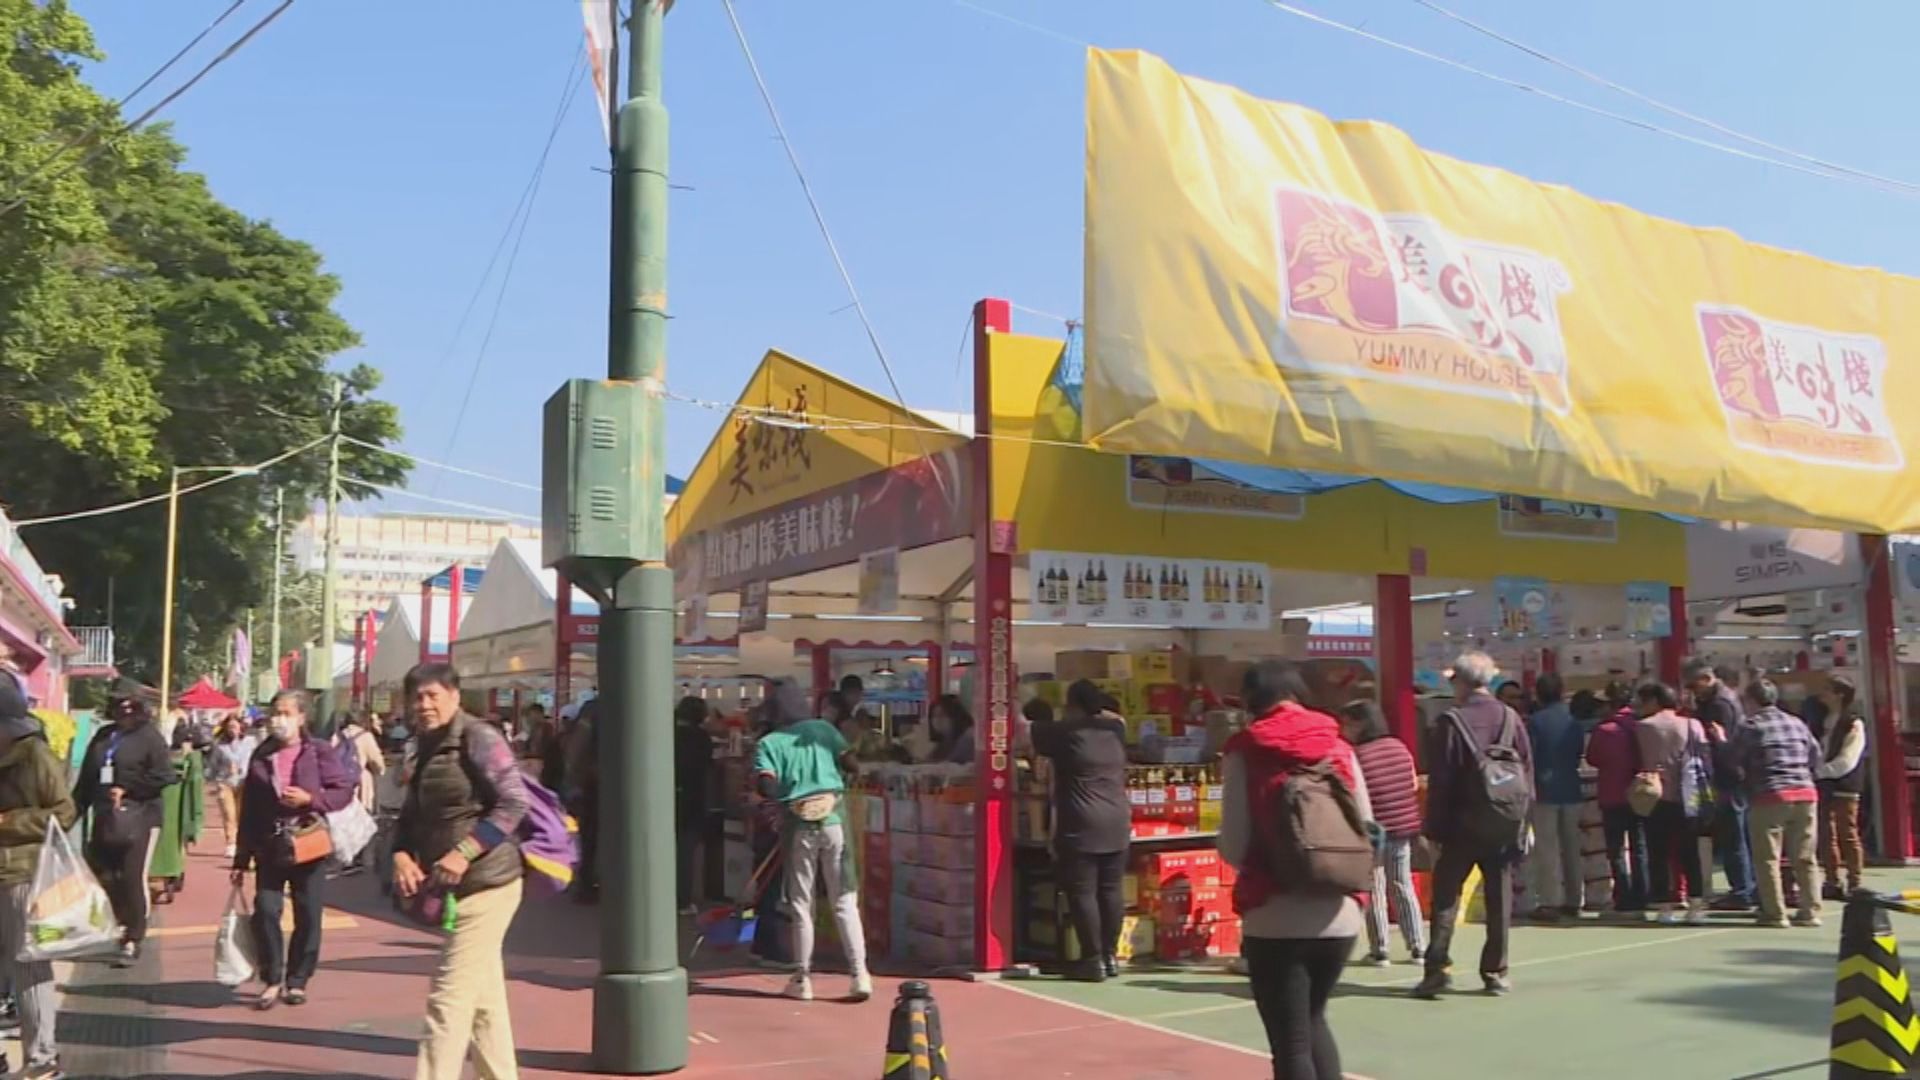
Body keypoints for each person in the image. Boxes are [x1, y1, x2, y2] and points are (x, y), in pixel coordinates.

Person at [1221, 660, 1372, 1079]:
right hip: (1339, 912)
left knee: (1290, 1042)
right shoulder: (1338, 745)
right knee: (1314, 1020)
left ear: (1252, 699)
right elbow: (1367, 825)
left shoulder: (1245, 750)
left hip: (1275, 913)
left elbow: (1233, 844)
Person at [392, 662, 531, 1080]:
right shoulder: (424, 746)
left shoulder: (478, 736)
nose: (424, 704)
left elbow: (514, 802)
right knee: (484, 1002)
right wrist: (400, 853)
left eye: (433, 695)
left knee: (447, 1000)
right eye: (417, 697)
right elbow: (410, 816)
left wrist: (463, 852)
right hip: (456, 887)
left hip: (490, 882)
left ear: (455, 696)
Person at [1414, 651, 1531, 999]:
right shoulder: (1511, 718)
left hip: (1460, 826)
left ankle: (1438, 968)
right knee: (1499, 898)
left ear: (1461, 682)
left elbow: (1442, 783)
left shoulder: (1451, 723)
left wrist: (1434, 830)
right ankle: (1495, 971)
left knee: (1447, 898)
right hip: (1503, 822)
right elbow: (1528, 773)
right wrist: (1524, 821)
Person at [229, 690, 355, 1009]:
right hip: (270, 846)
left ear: (301, 717)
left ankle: (298, 980)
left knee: (308, 915)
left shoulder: (319, 751)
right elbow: (250, 810)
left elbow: (342, 791)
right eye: (275, 713)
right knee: (267, 910)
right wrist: (241, 857)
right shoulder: (261, 754)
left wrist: (311, 800)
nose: (278, 719)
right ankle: (272, 977)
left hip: (308, 844)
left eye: (286, 713)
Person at [753, 678, 871, 1003]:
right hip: (834, 819)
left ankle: (801, 978)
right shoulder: (823, 729)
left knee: (800, 903)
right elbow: (852, 764)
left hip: (797, 824)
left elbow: (765, 785)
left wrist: (783, 796)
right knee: (844, 897)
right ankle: (859, 974)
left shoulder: (769, 744)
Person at [0, 676, 77, 1080]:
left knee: (28, 967)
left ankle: (42, 1059)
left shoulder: (34, 756)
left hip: (22, 874)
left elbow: (64, 813)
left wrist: (8, 822)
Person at [1032, 684, 1131, 981]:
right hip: (1117, 818)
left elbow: (1022, 729)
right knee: (1111, 890)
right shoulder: (1115, 730)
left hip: (1081, 821)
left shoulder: (1065, 732)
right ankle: (1110, 956)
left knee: (1083, 892)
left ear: (1072, 705)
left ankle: (1092, 959)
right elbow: (1116, 718)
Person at [72, 697, 177, 966]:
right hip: (106, 816)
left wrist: (129, 788)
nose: (124, 715)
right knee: (106, 875)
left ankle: (134, 936)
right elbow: (87, 778)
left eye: (130, 710)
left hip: (141, 815)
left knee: (132, 876)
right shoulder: (104, 736)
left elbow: (165, 776)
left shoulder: (150, 737)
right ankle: (118, 923)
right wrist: (70, 812)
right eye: (119, 709)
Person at [1732, 678, 1824, 928]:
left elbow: (1735, 760)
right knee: (1805, 857)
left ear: (1751, 701)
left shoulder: (1750, 726)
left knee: (1767, 858)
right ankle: (1810, 910)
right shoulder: (1797, 723)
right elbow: (1816, 756)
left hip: (1769, 794)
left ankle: (1775, 913)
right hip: (1805, 792)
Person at [1339, 700, 1424, 966]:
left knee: (1375, 888)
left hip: (1374, 832)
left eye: (1348, 723)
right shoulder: (1400, 747)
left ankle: (1381, 950)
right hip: (1403, 827)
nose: (1344, 729)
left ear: (1361, 723)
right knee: (1402, 885)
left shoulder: (1357, 755)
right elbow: (1412, 783)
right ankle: (1418, 946)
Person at [1632, 682, 1710, 925]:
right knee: (1690, 851)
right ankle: (1696, 903)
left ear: (1654, 701)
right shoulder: (1693, 724)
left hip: (1656, 794)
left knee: (1658, 852)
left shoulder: (1644, 727)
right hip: (1688, 793)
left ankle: (1664, 906)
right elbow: (1705, 755)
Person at [1686, 659, 1755, 912]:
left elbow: (1721, 741)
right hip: (1734, 774)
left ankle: (1742, 890)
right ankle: (1746, 887)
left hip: (1728, 775)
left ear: (1706, 679)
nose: (1693, 691)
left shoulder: (1720, 704)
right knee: (1738, 834)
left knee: (1733, 835)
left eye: (1694, 685)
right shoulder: (1725, 699)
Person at [1523, 673, 1585, 920]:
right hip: (1571, 786)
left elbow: (1530, 756)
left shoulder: (1535, 722)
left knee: (1548, 847)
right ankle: (1575, 898)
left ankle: (1551, 901)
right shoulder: (1574, 721)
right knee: (1572, 846)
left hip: (1544, 788)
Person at [1583, 680, 1646, 912]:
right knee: (1640, 846)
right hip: (1639, 793)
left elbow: (1592, 758)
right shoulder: (1641, 725)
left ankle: (1624, 895)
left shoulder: (1604, 730)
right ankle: (1643, 892)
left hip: (1611, 794)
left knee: (1616, 849)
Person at [1818, 675, 1868, 900]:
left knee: (1847, 833)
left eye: (1828, 690)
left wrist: (1821, 771)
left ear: (1840, 694)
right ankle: (1831, 880)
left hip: (1845, 784)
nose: (1823, 694)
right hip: (1825, 783)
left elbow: (1848, 759)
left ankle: (1855, 881)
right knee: (1826, 833)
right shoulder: (1826, 719)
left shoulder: (1853, 722)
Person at [148, 721, 203, 905]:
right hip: (175, 802)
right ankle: (172, 871)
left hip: (165, 800)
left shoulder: (176, 757)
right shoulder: (190, 759)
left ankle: (165, 872)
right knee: (175, 837)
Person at [331, 711, 385, 875]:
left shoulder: (337, 735)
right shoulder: (365, 736)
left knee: (345, 820)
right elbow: (378, 763)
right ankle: (360, 858)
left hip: (341, 784)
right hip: (361, 783)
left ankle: (345, 856)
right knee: (363, 820)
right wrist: (377, 769)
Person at [674, 696, 714, 913]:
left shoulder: (666, 733)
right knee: (686, 852)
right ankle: (682, 900)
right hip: (693, 798)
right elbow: (706, 768)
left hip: (668, 797)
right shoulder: (701, 738)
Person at [208, 715, 258, 861]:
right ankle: (231, 843)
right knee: (229, 814)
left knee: (242, 814)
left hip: (245, 782)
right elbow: (212, 765)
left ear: (241, 727)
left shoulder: (250, 742)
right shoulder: (219, 745)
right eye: (230, 727)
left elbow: (257, 760)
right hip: (226, 782)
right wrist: (217, 778)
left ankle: (243, 844)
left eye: (235, 727)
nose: (233, 730)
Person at [927, 694, 976, 766]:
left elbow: (950, 764)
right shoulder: (945, 741)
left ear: (955, 716)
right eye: (933, 716)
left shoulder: (968, 738)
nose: (937, 720)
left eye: (942, 715)